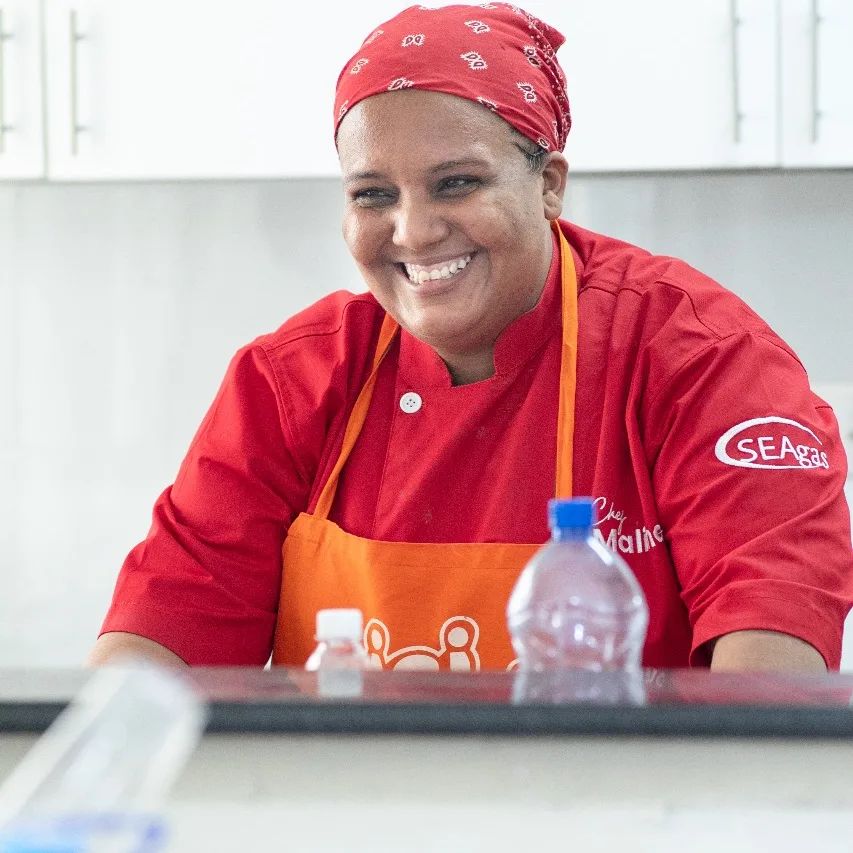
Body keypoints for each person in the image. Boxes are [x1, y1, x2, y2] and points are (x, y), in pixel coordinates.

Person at [90, 3, 853, 672]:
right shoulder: (291, 380)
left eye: (456, 183)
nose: (414, 230)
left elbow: (768, 668)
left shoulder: (702, 359)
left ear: (548, 184)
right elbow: (160, 640)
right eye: (373, 194)